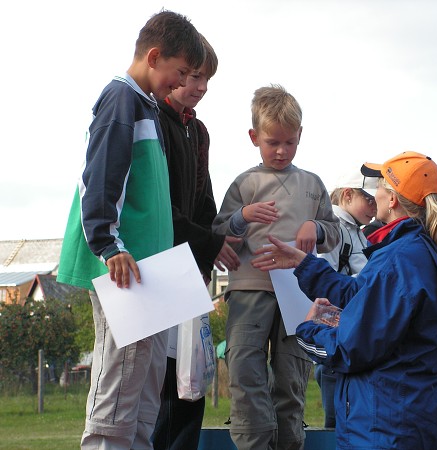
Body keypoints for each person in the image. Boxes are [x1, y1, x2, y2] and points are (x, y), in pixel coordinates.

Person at [252, 151, 437, 449]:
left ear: (392, 199)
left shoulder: (399, 260)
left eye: (379, 187)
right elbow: (365, 295)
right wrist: (304, 264)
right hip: (414, 419)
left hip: (386, 427)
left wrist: (308, 329)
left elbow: (350, 347)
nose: (374, 194)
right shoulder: (424, 251)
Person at [56, 10, 204, 449]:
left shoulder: (148, 107)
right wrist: (108, 245)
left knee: (143, 398)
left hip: (151, 274)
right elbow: (99, 178)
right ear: (154, 56)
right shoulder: (121, 100)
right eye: (179, 72)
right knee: (118, 396)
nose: (179, 84)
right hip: (125, 268)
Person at [212, 84, 340, 450]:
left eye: (289, 142)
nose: (281, 151)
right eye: (272, 142)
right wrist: (242, 217)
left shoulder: (312, 184)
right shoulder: (245, 183)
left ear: (300, 136)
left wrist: (314, 227)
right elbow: (219, 235)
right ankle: (254, 444)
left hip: (298, 296)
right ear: (254, 137)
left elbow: (334, 233)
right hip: (249, 290)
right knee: (245, 372)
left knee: (291, 379)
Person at [151, 34, 241, 450]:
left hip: (191, 270)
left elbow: (203, 197)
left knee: (191, 379)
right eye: (192, 75)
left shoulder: (198, 131)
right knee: (161, 385)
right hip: (157, 267)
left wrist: (215, 241)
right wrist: (206, 242)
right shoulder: (154, 120)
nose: (199, 86)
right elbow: (160, 208)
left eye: (205, 78)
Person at [314, 168, 377, 428]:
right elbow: (323, 279)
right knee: (335, 403)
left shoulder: (355, 229)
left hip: (350, 326)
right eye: (369, 199)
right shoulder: (335, 226)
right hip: (336, 327)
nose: (374, 207)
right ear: (348, 195)